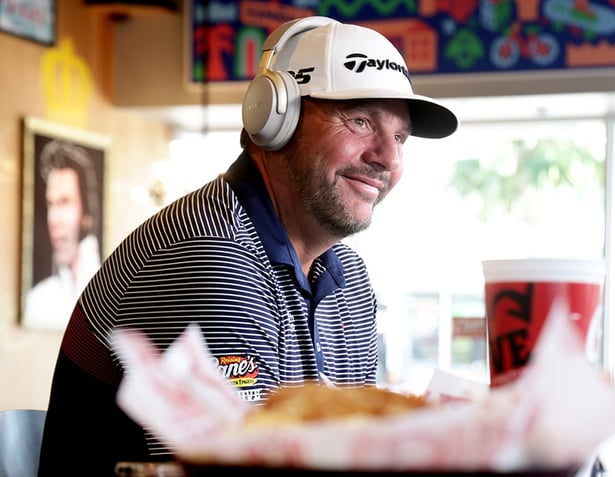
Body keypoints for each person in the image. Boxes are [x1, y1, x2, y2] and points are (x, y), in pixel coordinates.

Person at [37, 16, 458, 476]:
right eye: (360, 121)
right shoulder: (211, 251)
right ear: (276, 117)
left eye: (400, 137)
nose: (389, 158)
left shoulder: (351, 282)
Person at [24, 139, 101, 331]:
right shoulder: (38, 300)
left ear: (87, 214)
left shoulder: (110, 296)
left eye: (65, 202)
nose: (54, 219)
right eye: (51, 204)